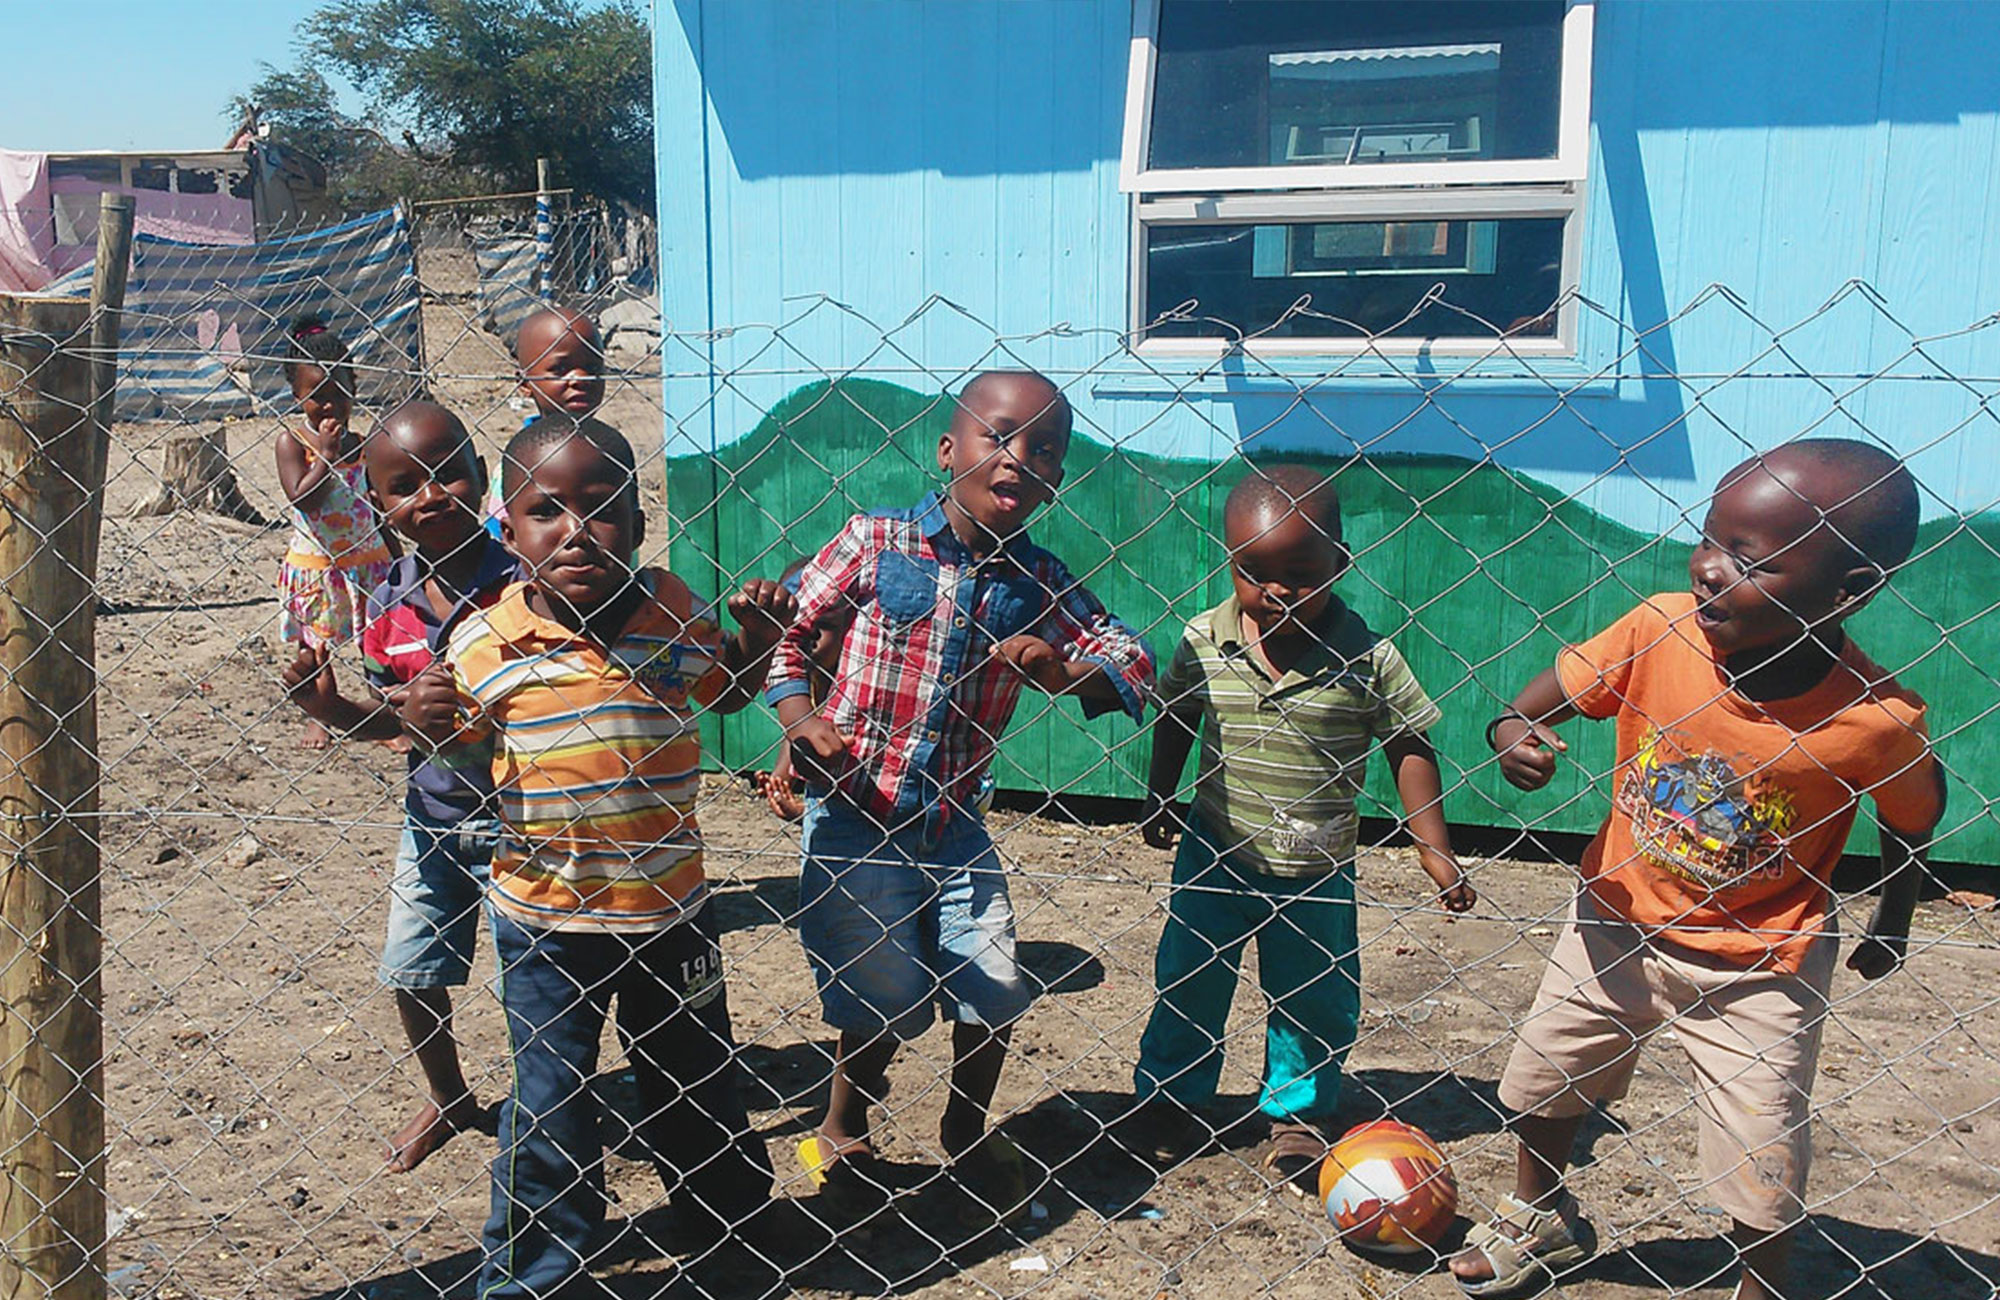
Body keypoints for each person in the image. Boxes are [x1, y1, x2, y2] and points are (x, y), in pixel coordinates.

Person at [1449, 439, 1944, 1300]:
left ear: (1849, 590)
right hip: (1614, 919)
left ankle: (1762, 1283)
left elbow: (1914, 825)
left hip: (1759, 963)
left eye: (1750, 561)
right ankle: (1540, 1214)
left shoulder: (1873, 720)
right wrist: (1511, 735)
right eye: (1710, 538)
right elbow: (1531, 704)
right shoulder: (1660, 629)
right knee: (1538, 1082)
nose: (1710, 568)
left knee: (1761, 1148)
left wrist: (1892, 922)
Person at [403, 417, 791, 1298]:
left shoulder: (672, 610)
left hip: (670, 910)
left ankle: (730, 1222)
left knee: (696, 1077)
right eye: (547, 511)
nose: (577, 531)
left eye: (602, 508)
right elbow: (464, 764)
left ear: (641, 525)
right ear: (508, 529)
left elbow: (722, 692)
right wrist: (426, 727)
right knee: (552, 1099)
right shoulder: (484, 641)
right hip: (546, 922)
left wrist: (757, 642)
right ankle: (537, 1270)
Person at [769, 370, 1156, 1225]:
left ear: (1057, 478)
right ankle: (843, 1124)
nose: (1019, 458)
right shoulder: (875, 540)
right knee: (877, 988)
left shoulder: (1041, 580)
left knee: (995, 976)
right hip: (856, 816)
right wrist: (800, 721)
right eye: (1000, 436)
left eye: (1044, 448)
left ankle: (966, 1126)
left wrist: (1067, 670)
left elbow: (1133, 658)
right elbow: (788, 637)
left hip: (953, 823)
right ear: (949, 450)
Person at [1129, 465, 1474, 1192]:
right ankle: (1170, 1097)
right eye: (1253, 572)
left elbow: (1409, 744)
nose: (1276, 591)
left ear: (1339, 563)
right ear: (1230, 561)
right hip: (1216, 850)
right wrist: (1160, 797)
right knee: (1189, 979)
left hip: (1317, 869)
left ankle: (1298, 1113)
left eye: (1300, 574)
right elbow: (1177, 717)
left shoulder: (1370, 658)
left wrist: (1434, 848)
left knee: (1313, 993)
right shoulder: (1203, 639)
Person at [282, 400, 516, 1174]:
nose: (431, 496)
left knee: (536, 977)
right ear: (377, 503)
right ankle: (448, 1094)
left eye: (449, 474)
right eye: (404, 486)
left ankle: (550, 1098)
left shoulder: (525, 586)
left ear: (482, 477)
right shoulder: (386, 605)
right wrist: (331, 709)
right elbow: (393, 722)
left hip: (529, 820)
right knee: (411, 969)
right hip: (434, 816)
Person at [272, 312, 395, 749]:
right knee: (314, 646)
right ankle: (319, 712)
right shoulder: (293, 443)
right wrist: (325, 454)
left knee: (378, 641)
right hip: (319, 565)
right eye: (317, 397)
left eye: (338, 394)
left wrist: (396, 556)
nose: (329, 406)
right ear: (296, 395)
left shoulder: (363, 444)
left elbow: (376, 507)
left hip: (369, 561)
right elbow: (303, 497)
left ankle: (383, 711)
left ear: (354, 388)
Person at [484, 306, 607, 539]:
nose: (581, 379)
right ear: (524, 383)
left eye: (592, 367)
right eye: (560, 369)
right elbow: (498, 537)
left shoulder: (611, 453)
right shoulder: (519, 462)